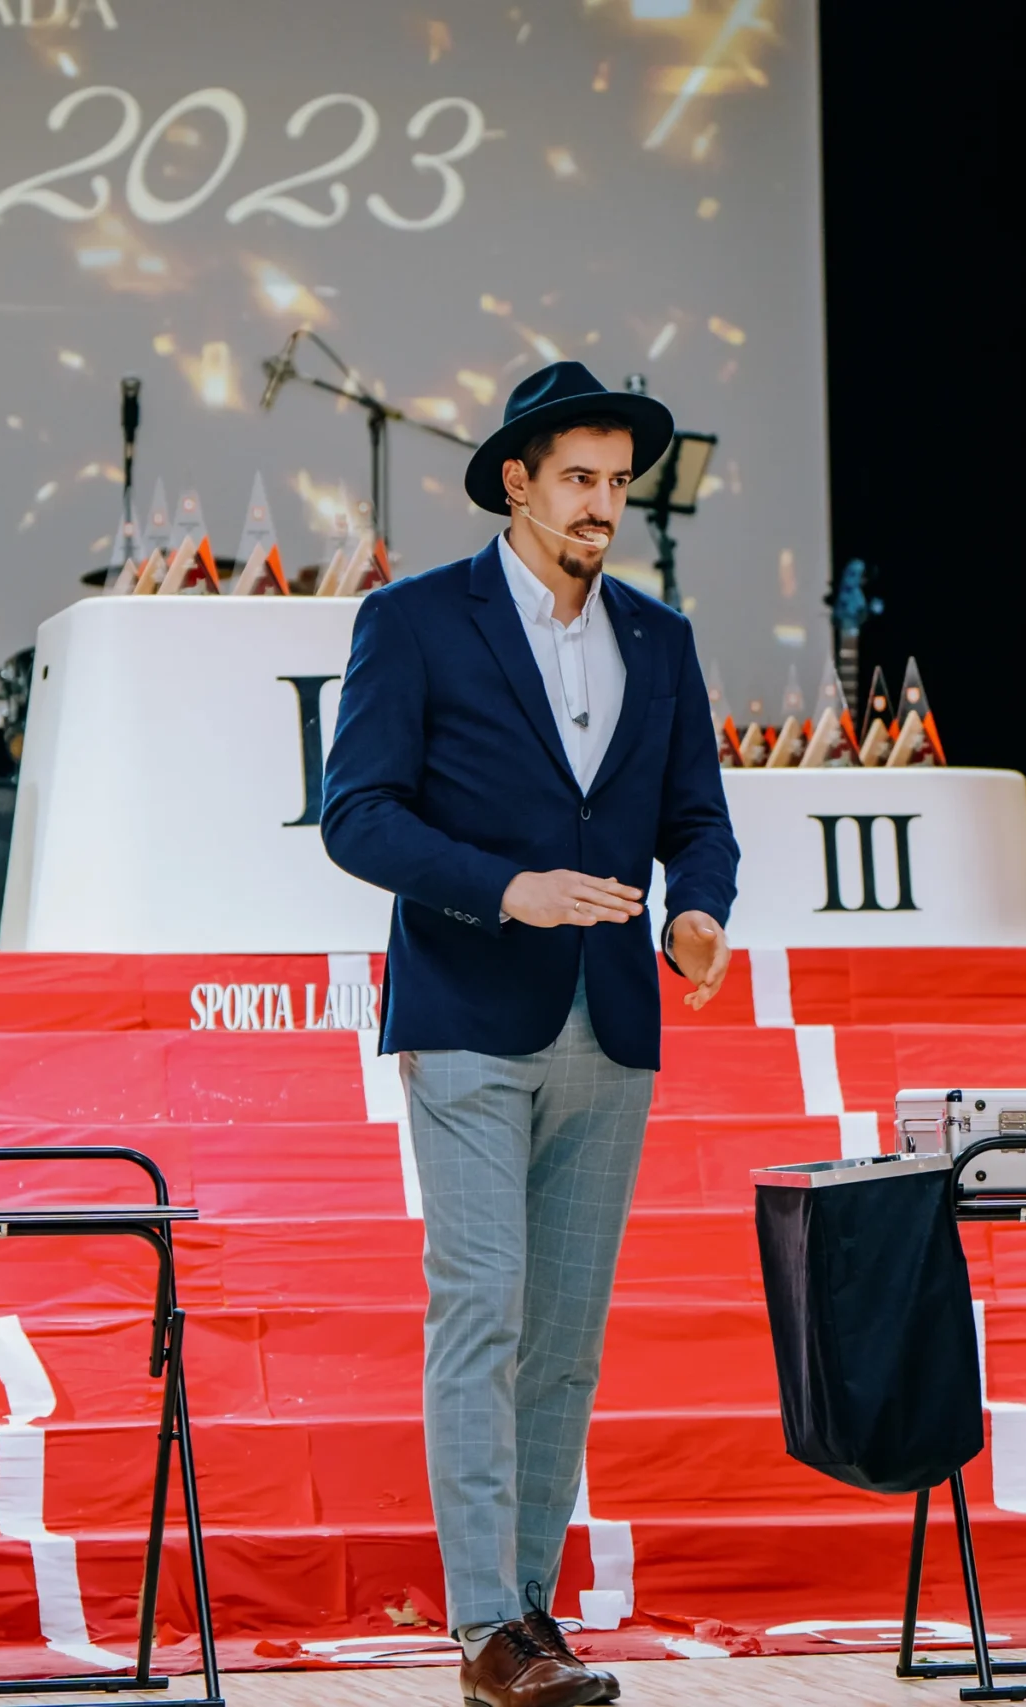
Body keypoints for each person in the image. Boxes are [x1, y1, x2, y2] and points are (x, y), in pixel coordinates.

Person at [320, 361, 739, 1707]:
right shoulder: (413, 620)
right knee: (482, 1305)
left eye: (618, 481)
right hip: (467, 1012)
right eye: (578, 478)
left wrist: (700, 914)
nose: (603, 503)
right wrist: (508, 889)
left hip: (611, 1022)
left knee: (563, 1334)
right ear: (516, 481)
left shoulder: (660, 639)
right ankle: (485, 1623)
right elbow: (357, 816)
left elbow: (699, 820)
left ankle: (532, 1614)